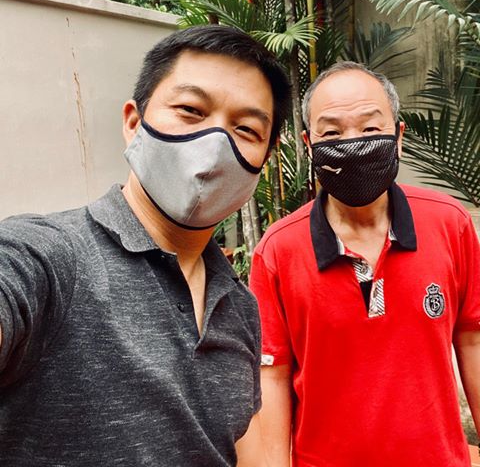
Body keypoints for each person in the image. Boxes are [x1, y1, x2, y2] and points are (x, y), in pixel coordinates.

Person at [0, 25, 290, 466]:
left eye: (246, 129)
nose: (215, 144)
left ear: (263, 163)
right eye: (190, 110)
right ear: (134, 123)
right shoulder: (49, 258)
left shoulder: (239, 306)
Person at [250, 61, 480, 466]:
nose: (353, 143)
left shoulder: (449, 223)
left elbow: (473, 340)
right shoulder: (277, 250)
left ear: (399, 137)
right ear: (309, 144)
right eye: (331, 133)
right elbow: (272, 377)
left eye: (371, 129)